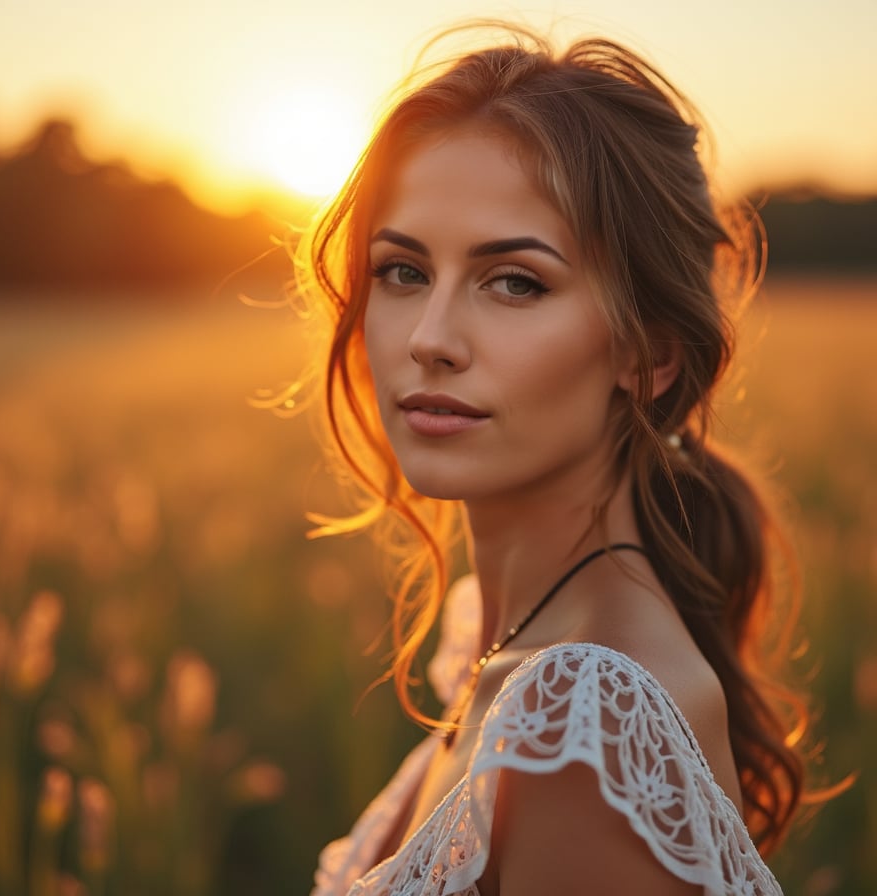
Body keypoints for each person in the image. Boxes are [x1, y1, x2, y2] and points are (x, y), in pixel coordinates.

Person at [296, 24, 810, 896]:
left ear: (647, 354)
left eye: (516, 282)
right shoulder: (501, 643)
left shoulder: (588, 722)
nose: (429, 340)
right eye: (403, 271)